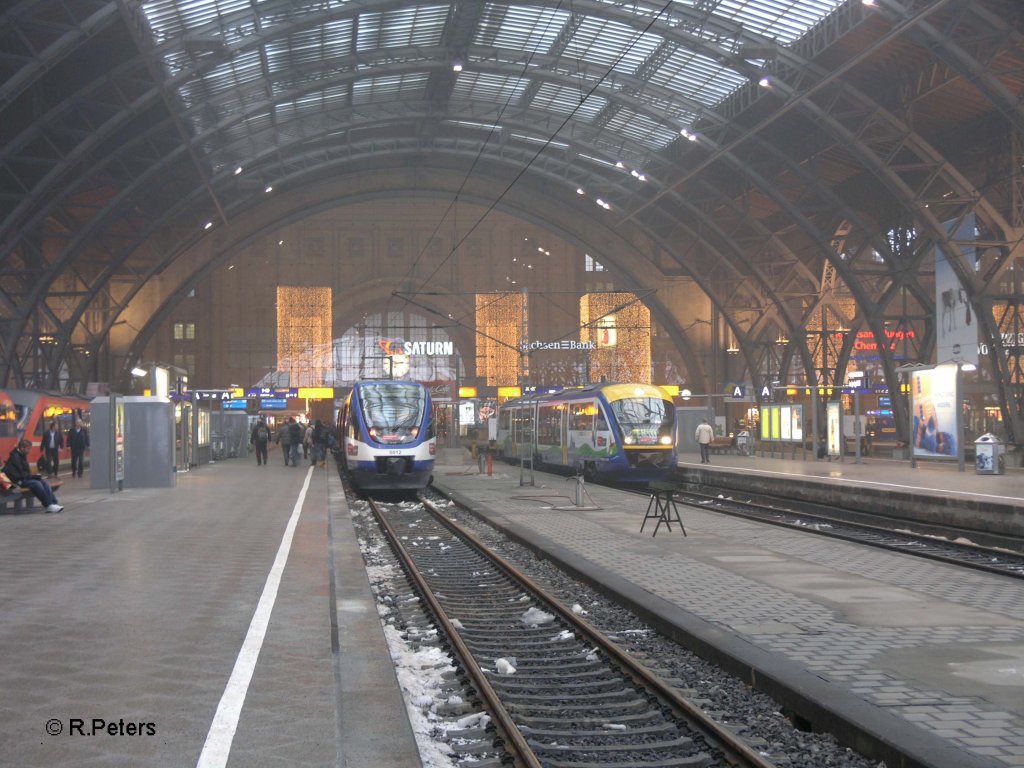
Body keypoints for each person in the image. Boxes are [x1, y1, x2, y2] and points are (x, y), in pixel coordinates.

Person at [5, 439, 63, 513]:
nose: (30, 450)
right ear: (22, 448)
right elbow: (21, 473)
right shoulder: (15, 457)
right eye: (28, 449)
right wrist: (33, 476)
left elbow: (26, 472)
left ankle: (53, 503)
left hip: (22, 478)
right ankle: (48, 505)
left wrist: (34, 476)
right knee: (36, 483)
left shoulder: (21, 455)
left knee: (43, 482)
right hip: (17, 481)